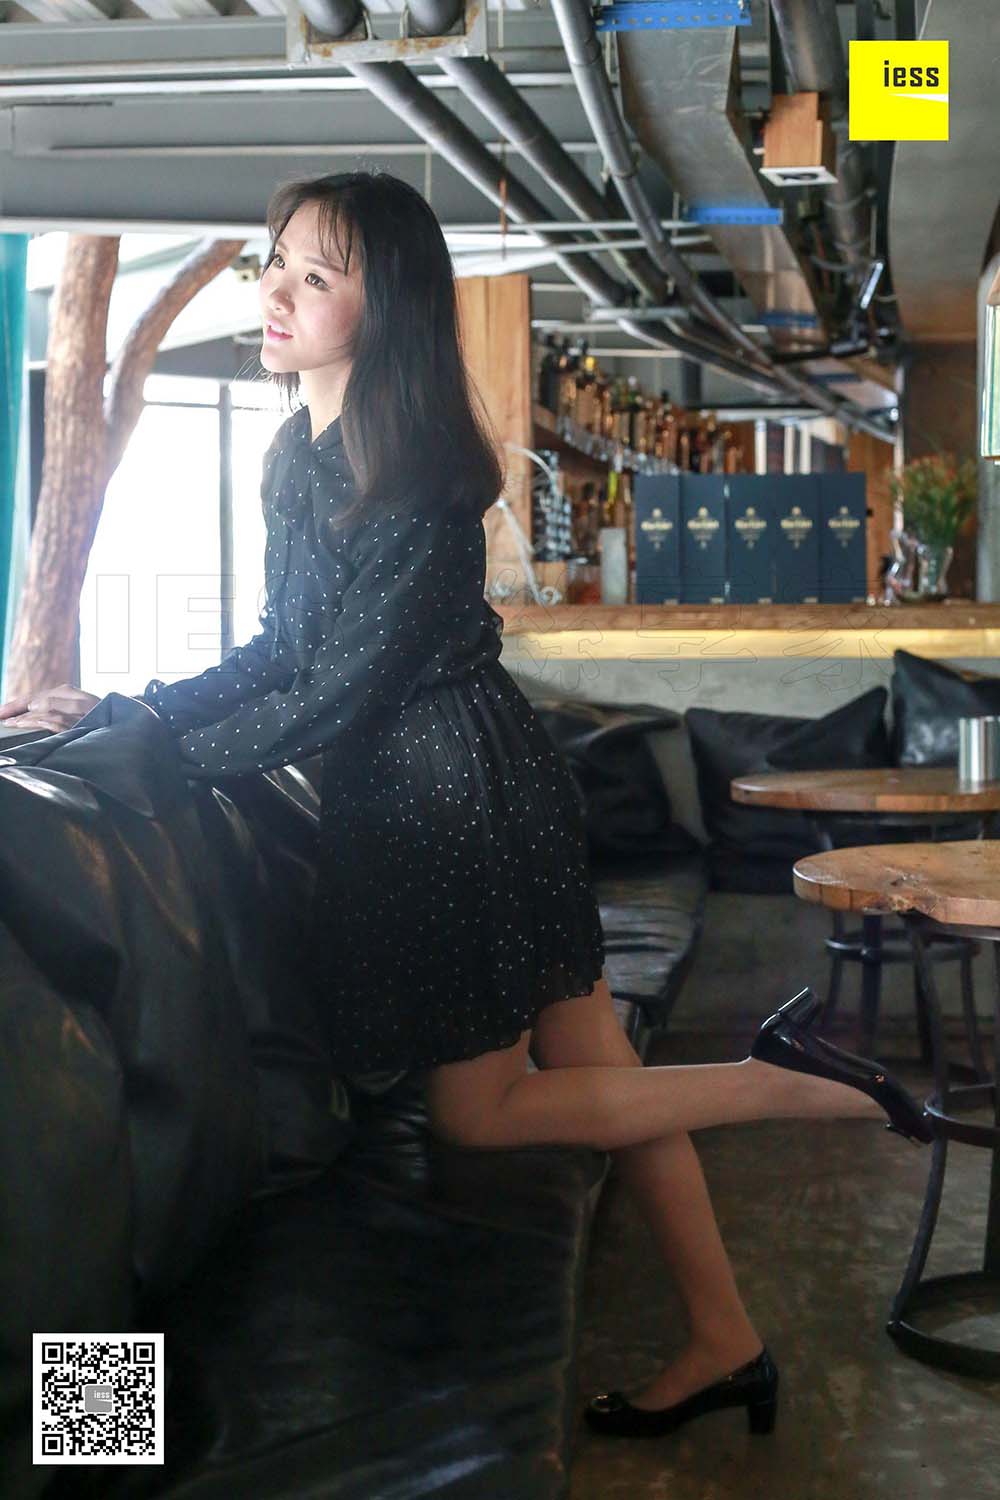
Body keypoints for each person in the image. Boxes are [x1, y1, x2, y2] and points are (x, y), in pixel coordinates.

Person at [0, 169, 931, 1442]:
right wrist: (133, 712)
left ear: (385, 310)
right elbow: (281, 650)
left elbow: (335, 689)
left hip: (453, 802)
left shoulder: (417, 473)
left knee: (477, 1114)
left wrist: (153, 755)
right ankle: (724, 1335)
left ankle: (784, 1084)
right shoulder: (295, 454)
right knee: (594, 1072)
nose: (276, 291)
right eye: (276, 262)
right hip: (448, 785)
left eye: (317, 276)